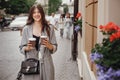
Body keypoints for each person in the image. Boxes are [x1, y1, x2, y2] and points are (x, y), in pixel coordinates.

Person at [19, 4, 57, 80]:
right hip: (31, 64)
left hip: (46, 64)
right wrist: (27, 48)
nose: (36, 14)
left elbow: (55, 46)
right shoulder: (26, 29)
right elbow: (21, 47)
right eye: (34, 12)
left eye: (38, 12)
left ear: (42, 13)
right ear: (31, 15)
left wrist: (49, 45)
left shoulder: (49, 28)